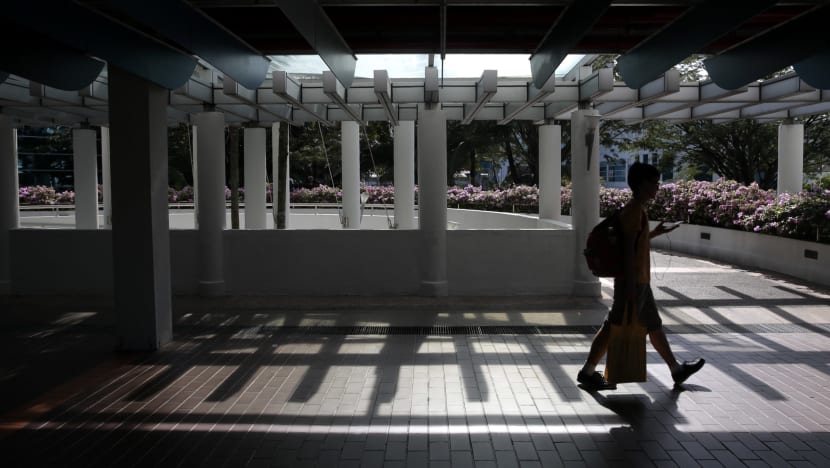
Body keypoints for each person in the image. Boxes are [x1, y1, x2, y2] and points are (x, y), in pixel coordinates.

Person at [577, 162, 704, 390]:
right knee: (613, 326)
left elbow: (634, 243)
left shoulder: (636, 209)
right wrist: (631, 289)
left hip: (637, 281)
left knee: (652, 325)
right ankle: (587, 371)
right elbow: (627, 249)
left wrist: (655, 232)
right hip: (633, 282)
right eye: (653, 182)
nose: (657, 186)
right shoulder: (635, 210)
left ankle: (676, 369)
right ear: (641, 184)